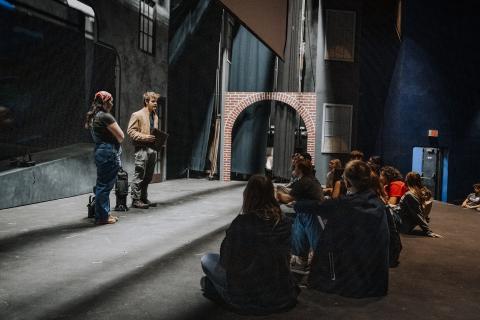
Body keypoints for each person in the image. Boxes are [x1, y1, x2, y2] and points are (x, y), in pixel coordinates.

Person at [200, 175, 299, 315]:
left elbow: (225, 261)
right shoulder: (285, 222)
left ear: (248, 195)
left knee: (207, 259)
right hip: (281, 294)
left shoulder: (241, 223)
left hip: (248, 295)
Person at [296, 160, 390, 298]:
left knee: (306, 217)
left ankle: (298, 257)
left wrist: (294, 202)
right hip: (375, 281)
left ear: (348, 182)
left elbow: (314, 207)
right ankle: (300, 257)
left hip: (351, 281)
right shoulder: (377, 203)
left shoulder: (345, 204)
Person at [277, 160, 324, 274]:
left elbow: (286, 199)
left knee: (300, 222)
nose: (294, 170)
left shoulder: (303, 182)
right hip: (313, 212)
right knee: (299, 224)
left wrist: (274, 193)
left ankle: (305, 258)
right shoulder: (311, 180)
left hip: (310, 213)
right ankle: (301, 258)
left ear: (300, 170)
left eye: (295, 168)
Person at [85, 91, 124, 225]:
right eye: (110, 101)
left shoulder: (94, 116)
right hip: (108, 152)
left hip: (100, 151)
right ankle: (102, 217)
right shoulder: (106, 116)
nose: (112, 104)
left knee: (102, 184)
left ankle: (103, 213)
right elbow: (121, 136)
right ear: (104, 102)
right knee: (104, 186)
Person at [127, 91, 160, 209]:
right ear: (146, 101)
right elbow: (130, 131)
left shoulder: (155, 116)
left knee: (148, 176)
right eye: (153, 101)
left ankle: (143, 197)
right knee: (139, 175)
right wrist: (145, 137)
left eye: (156, 101)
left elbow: (154, 133)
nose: (155, 103)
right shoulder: (137, 115)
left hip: (152, 149)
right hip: (142, 149)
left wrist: (159, 142)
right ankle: (135, 200)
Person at [395, 172, 442, 238]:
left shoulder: (410, 195)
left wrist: (428, 231)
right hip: (403, 220)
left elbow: (417, 214)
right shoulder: (421, 193)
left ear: (407, 180)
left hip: (400, 224)